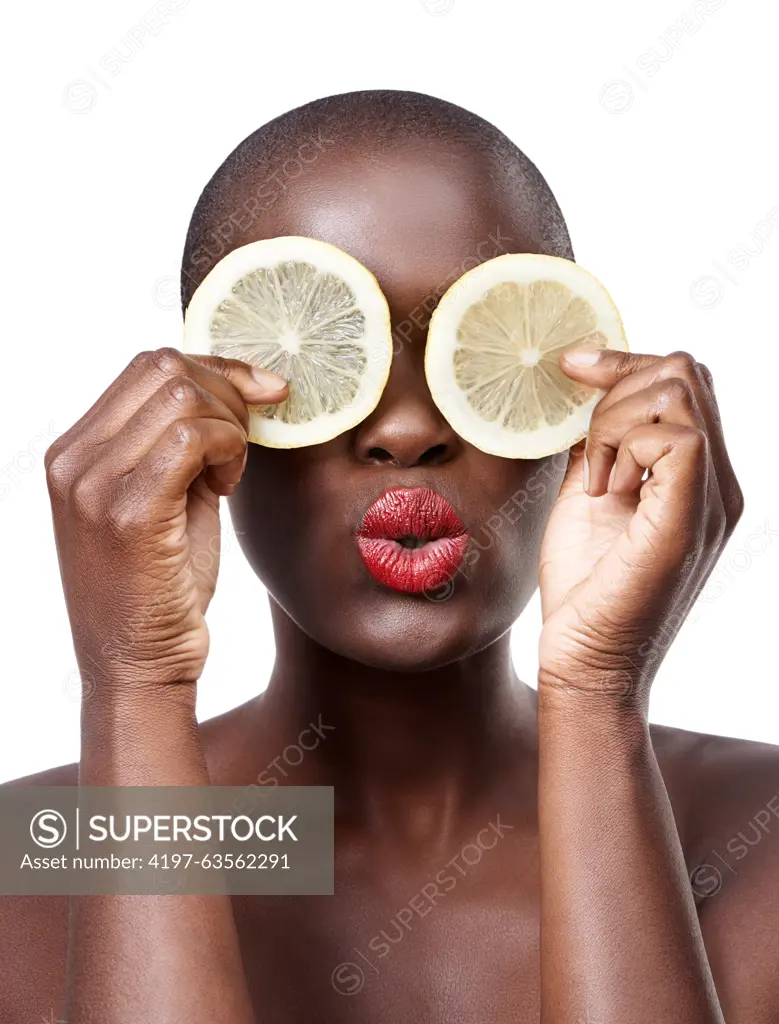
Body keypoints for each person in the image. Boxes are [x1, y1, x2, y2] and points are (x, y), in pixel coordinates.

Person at [1, 89, 777, 1024]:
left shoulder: (757, 836)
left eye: (475, 344)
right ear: (201, 412)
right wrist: (132, 686)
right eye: (328, 356)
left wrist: (598, 695)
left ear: (577, 398)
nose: (407, 430)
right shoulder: (38, 860)